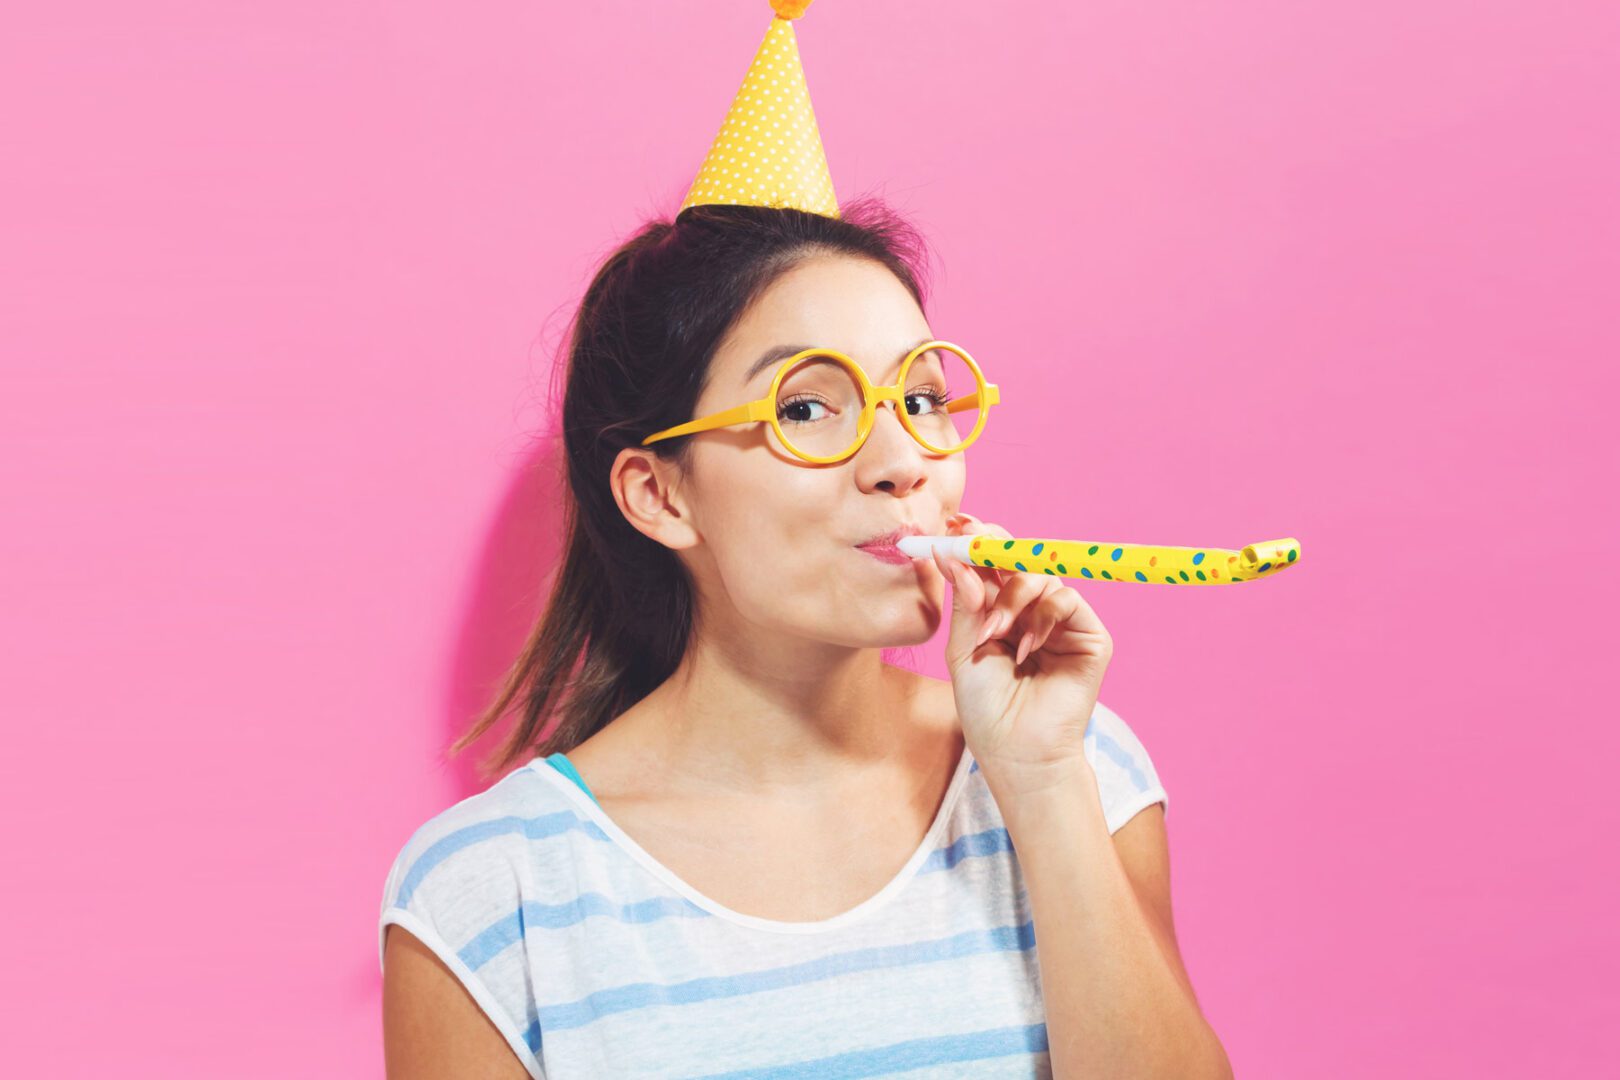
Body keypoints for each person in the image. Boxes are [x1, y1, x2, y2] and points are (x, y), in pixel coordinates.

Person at [380, 5, 1231, 1077]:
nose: (902, 459)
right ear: (659, 496)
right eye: (810, 407)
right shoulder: (491, 894)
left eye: (921, 397)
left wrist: (1045, 783)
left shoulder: (1079, 769)